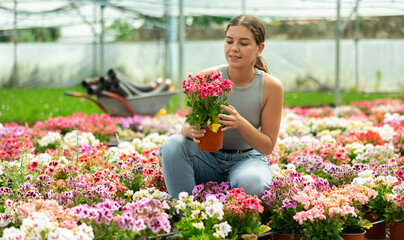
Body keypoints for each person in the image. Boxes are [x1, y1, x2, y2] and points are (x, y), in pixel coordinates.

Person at [160, 15, 284, 199]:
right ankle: (186, 212)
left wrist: (240, 123)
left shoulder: (271, 87)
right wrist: (189, 130)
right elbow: (187, 125)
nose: (234, 49)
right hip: (206, 159)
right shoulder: (207, 77)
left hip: (247, 161)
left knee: (253, 182)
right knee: (172, 144)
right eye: (229, 41)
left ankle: (228, 207)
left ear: (260, 48)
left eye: (243, 43)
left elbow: (267, 147)